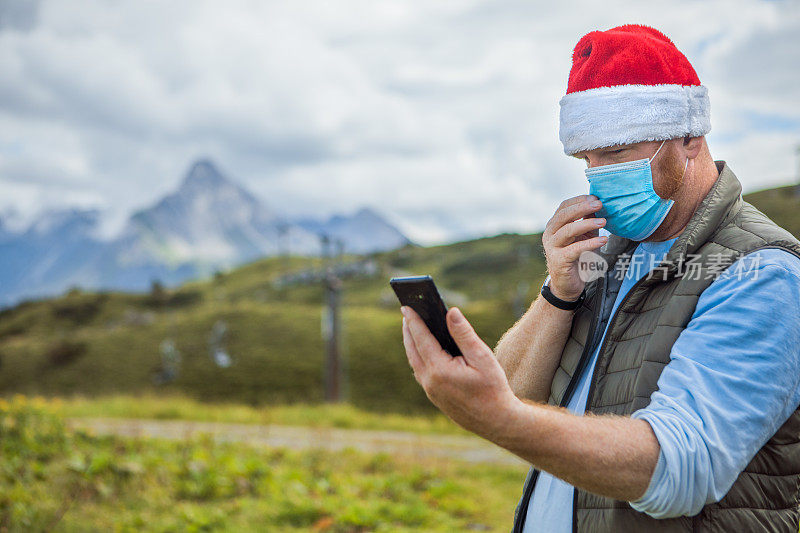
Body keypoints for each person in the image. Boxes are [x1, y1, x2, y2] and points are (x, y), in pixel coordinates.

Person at [399, 24, 800, 532]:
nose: (598, 177)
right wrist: (558, 293)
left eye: (614, 153)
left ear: (690, 137)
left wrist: (502, 419)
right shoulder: (603, 255)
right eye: (586, 161)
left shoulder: (763, 273)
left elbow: (680, 468)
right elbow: (519, 399)